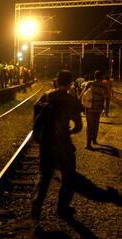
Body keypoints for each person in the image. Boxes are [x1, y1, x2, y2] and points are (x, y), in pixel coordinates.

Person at [31, 70, 83, 225]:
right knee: (68, 176)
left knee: (44, 175)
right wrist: (69, 131)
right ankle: (62, 207)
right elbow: (79, 126)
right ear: (70, 83)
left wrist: (40, 133)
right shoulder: (72, 100)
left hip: (47, 142)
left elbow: (36, 114)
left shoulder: (46, 96)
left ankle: (36, 205)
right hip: (64, 145)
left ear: (56, 80)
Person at [81, 70, 107, 149]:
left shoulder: (89, 83)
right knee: (96, 124)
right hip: (98, 108)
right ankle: (94, 140)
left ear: (95, 76)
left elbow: (82, 94)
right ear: (101, 77)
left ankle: (88, 143)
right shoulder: (103, 85)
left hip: (89, 107)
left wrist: (81, 103)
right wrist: (104, 108)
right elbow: (105, 97)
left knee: (89, 125)